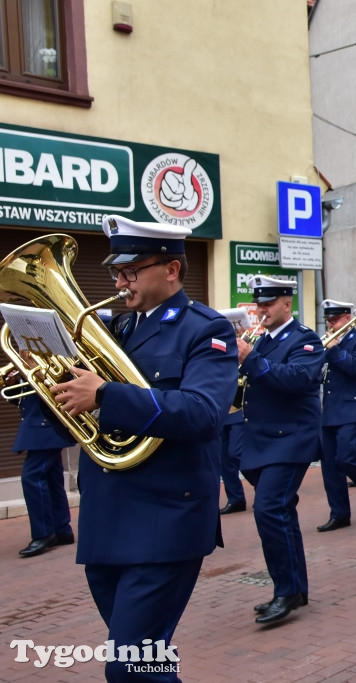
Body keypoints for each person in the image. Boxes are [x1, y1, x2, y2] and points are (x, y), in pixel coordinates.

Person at [51, 214, 238, 681]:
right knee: (143, 662)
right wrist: (49, 384)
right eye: (117, 271)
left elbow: (202, 414)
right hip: (107, 515)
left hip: (166, 516)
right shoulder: (117, 328)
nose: (119, 281)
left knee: (128, 667)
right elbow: (88, 408)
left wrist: (106, 395)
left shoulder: (205, 328)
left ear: (171, 269)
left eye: (130, 271)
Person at [238, 275, 324, 624]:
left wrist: (251, 360)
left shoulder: (305, 340)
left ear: (287, 304)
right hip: (261, 440)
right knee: (281, 512)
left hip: (291, 439)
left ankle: (285, 592)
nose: (262, 310)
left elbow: (297, 380)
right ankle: (296, 588)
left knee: (268, 509)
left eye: (269, 304)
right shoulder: (260, 342)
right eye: (259, 304)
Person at [316, 299, 356, 532]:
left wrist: (334, 349)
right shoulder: (326, 342)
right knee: (330, 466)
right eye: (329, 321)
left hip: (352, 409)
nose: (332, 325)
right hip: (330, 409)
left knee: (345, 457)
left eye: (336, 320)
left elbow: (355, 368)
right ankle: (339, 513)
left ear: (347, 318)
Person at [8, 377, 76, 557]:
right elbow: (21, 401)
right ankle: (62, 530)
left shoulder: (43, 362)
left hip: (47, 428)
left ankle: (43, 534)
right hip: (38, 428)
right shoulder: (26, 367)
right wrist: (13, 383)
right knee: (53, 478)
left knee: (31, 477)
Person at [218, 408, 247, 514]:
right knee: (223, 458)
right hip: (222, 410)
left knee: (236, 452)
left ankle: (262, 488)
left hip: (240, 409)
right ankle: (236, 499)